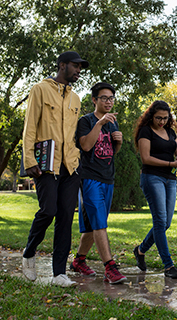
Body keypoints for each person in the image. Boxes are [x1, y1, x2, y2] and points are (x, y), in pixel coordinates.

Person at [22, 51, 89, 287]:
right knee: (48, 211)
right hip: (45, 165)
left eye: (81, 67)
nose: (79, 70)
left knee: (64, 218)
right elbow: (30, 126)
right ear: (62, 66)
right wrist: (29, 159)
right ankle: (29, 252)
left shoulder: (76, 99)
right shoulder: (40, 89)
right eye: (75, 66)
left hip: (71, 165)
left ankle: (59, 273)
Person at [70, 82, 126, 284]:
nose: (109, 101)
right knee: (100, 223)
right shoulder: (86, 121)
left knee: (95, 224)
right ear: (94, 100)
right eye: (104, 98)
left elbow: (110, 153)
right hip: (89, 177)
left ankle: (79, 260)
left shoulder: (113, 123)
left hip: (107, 178)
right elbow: (85, 145)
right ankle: (110, 268)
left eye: (111, 98)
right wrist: (100, 123)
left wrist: (117, 142)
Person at [133, 100, 177, 279]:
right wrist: (172, 163)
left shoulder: (170, 132)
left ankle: (140, 250)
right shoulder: (145, 131)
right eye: (158, 118)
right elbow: (146, 158)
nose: (162, 121)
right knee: (160, 220)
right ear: (151, 116)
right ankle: (168, 266)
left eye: (165, 118)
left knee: (166, 223)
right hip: (152, 177)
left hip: (170, 179)